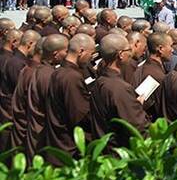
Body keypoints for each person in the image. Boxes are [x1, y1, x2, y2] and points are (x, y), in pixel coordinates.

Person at [42, 33, 96, 165]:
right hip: (68, 145)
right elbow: (81, 115)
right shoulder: (71, 77)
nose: (91, 58)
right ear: (81, 51)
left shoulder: (59, 71)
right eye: (91, 54)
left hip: (58, 139)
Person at [89, 34, 149, 149]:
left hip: (103, 148)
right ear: (121, 55)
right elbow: (136, 127)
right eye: (128, 50)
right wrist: (136, 107)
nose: (131, 53)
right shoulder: (119, 88)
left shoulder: (100, 81)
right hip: (118, 154)